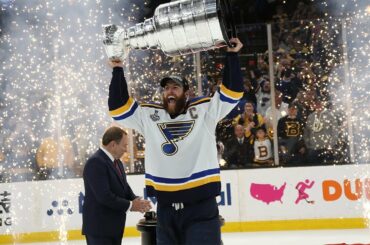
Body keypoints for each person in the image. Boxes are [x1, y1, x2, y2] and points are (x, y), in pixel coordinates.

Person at [107, 38, 244, 245]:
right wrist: (118, 69)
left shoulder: (204, 111)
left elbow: (232, 93)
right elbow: (118, 109)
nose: (170, 91)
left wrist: (232, 55)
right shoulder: (149, 116)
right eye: (166, 88)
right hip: (166, 208)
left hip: (201, 207)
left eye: (175, 87)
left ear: (186, 92)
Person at [82, 126, 151, 245]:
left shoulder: (116, 161)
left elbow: (123, 186)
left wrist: (136, 200)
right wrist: (131, 205)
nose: (126, 149)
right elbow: (104, 196)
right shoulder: (95, 162)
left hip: (113, 227)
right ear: (113, 144)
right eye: (124, 145)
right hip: (100, 229)